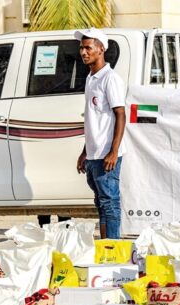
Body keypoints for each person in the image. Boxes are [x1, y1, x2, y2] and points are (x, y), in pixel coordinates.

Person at [75, 28, 126, 239]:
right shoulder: (90, 78)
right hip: (94, 154)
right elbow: (93, 119)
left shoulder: (110, 78)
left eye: (88, 47)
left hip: (107, 154)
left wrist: (113, 152)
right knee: (101, 203)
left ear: (101, 49)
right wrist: (84, 151)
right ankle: (105, 246)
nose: (83, 52)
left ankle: (113, 247)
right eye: (81, 48)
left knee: (110, 202)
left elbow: (120, 114)